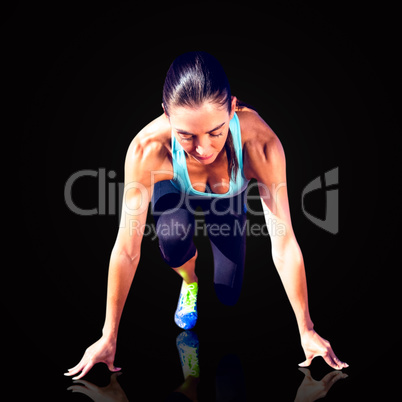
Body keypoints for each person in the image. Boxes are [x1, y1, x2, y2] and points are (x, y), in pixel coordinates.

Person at [65, 51, 348, 380]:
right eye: (186, 135)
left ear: (232, 108)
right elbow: (126, 249)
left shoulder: (260, 145)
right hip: (173, 187)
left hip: (227, 195)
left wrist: (306, 329)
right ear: (167, 117)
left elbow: (284, 245)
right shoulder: (147, 150)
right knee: (172, 237)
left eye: (215, 132)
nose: (203, 149)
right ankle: (189, 280)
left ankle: (215, 263)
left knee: (229, 292)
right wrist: (108, 336)